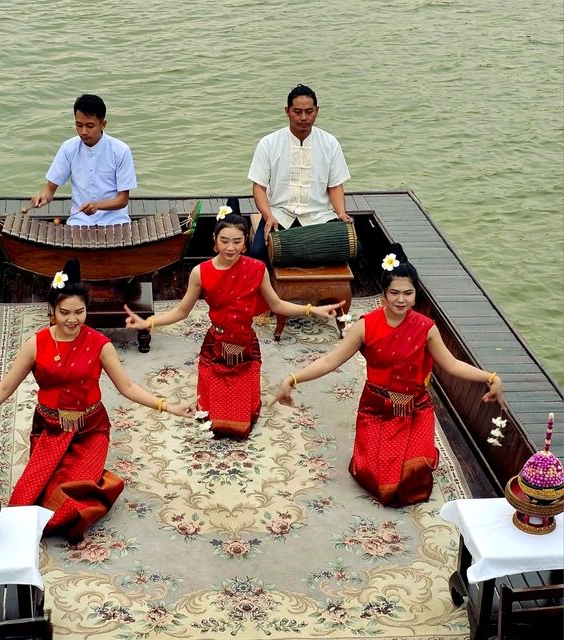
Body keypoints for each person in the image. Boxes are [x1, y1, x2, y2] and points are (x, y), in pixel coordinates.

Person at [0, 259, 192, 543]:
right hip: (50, 430)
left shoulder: (100, 344)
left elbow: (127, 387)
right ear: (52, 312)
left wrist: (169, 406)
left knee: (64, 508)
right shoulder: (36, 343)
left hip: (91, 431)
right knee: (23, 503)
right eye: (64, 312)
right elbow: (5, 387)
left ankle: (104, 484)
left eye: (79, 312)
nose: (73, 319)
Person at [273, 243, 504, 507]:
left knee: (414, 477)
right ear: (383, 295)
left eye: (408, 293)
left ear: (416, 296)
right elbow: (329, 361)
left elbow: (451, 364)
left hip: (415, 407)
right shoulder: (365, 326)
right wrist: (292, 379)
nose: (401, 299)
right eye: (394, 292)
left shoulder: (426, 328)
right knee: (377, 479)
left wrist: (489, 376)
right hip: (377, 408)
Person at [124, 211, 344, 439]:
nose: (230, 247)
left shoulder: (257, 269)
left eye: (237, 242)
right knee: (212, 422)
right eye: (225, 241)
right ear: (214, 241)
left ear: (245, 243)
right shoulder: (200, 272)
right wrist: (149, 321)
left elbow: (276, 304)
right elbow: (182, 311)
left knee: (240, 427)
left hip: (245, 345)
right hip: (215, 345)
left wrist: (311, 309)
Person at [248, 84, 352, 264]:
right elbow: (259, 187)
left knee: (354, 249)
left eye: (309, 111)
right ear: (287, 111)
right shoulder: (268, 143)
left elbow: (334, 185)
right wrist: (268, 216)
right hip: (279, 215)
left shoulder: (330, 143)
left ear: (317, 111)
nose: (303, 117)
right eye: (297, 111)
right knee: (258, 254)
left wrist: (341, 213)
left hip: (319, 216)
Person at [29, 94, 137, 226]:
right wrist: (42, 197)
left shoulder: (121, 151)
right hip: (80, 221)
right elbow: (50, 189)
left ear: (103, 124)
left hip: (115, 221)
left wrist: (97, 205)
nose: (83, 131)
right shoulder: (68, 148)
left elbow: (123, 200)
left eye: (90, 126)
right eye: (79, 125)